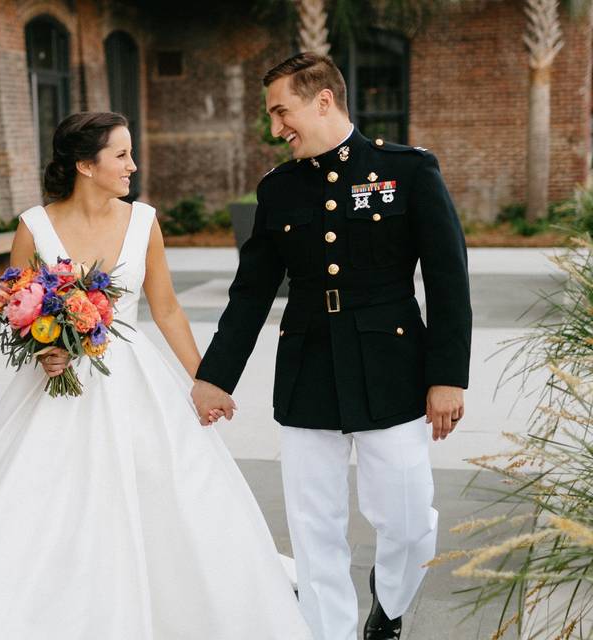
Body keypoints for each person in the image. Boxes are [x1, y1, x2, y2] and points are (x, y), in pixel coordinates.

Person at [0, 111, 311, 640]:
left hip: (131, 380)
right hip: (54, 390)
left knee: (167, 490)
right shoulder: (34, 226)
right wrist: (44, 351)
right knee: (35, 501)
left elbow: (168, 310)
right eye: (121, 155)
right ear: (85, 164)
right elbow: (14, 305)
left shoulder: (144, 221)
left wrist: (206, 380)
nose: (133, 165)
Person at [191, 52, 472, 640]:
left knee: (409, 519)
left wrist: (448, 376)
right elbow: (251, 293)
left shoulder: (408, 171)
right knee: (314, 526)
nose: (275, 128)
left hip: (393, 370)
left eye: (281, 111)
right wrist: (215, 375)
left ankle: (389, 604)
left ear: (323, 99)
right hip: (308, 368)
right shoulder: (279, 189)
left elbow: (448, 281)